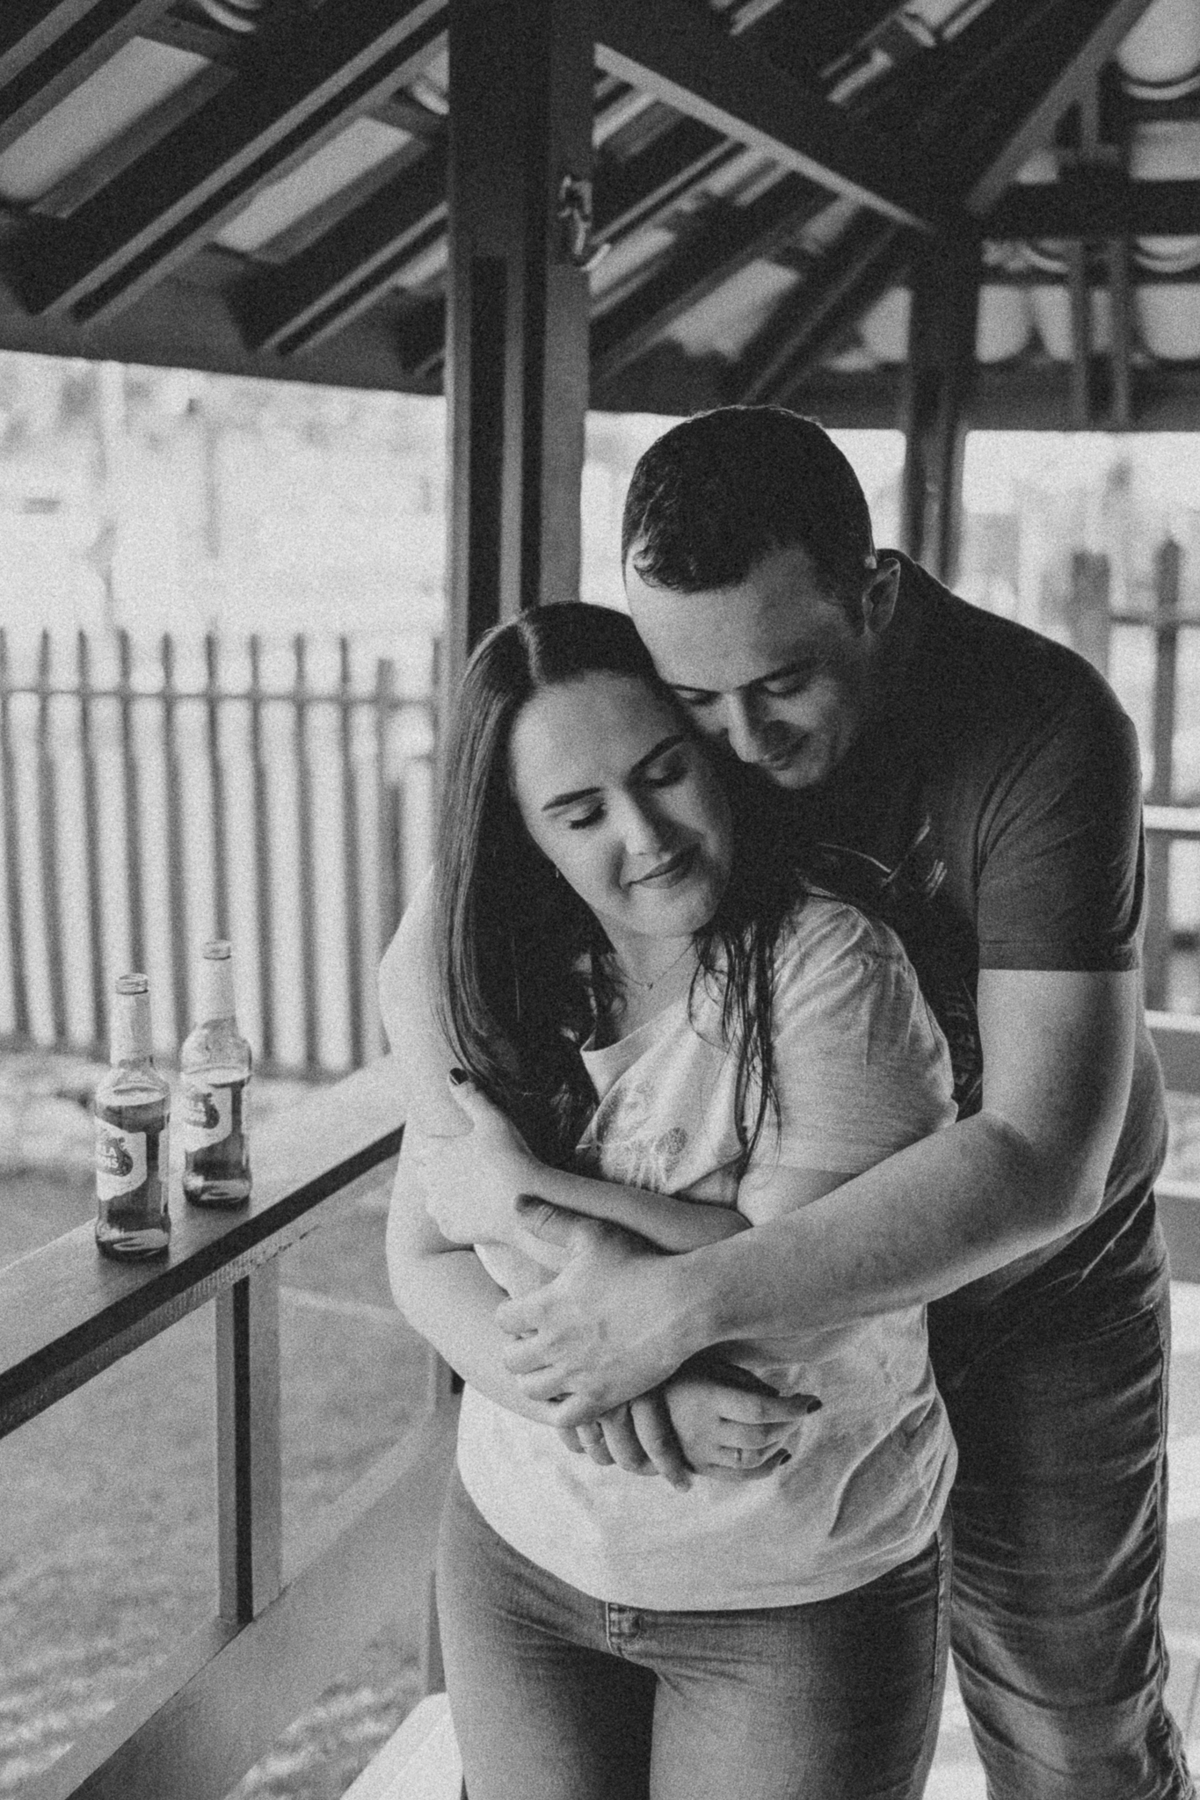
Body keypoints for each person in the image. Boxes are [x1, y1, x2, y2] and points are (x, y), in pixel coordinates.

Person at [479, 407, 1193, 1800]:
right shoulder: (668, 694)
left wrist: (678, 1308)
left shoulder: (1043, 725)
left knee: (1072, 1732)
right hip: (781, 1277)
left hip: (1036, 1289)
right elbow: (450, 917)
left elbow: (1041, 1154)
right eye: (697, 703)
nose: (740, 742)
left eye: (784, 683)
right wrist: (468, 1159)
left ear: (874, 594)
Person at [381, 600, 959, 1800]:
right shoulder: (476, 959)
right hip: (521, 1558)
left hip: (789, 1592)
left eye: (663, 774)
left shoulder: (832, 965)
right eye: (580, 814)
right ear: (523, 833)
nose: (644, 836)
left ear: (713, 752)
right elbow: (427, 1259)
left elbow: (787, 1287)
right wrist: (643, 1407)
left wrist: (527, 1194)